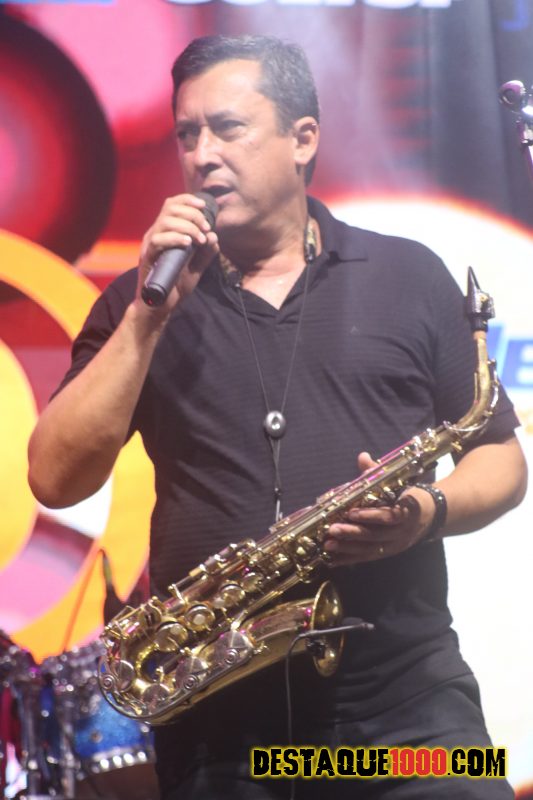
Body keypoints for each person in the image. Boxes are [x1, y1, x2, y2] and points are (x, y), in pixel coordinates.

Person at [28, 34, 527, 800]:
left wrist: (424, 512)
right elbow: (55, 479)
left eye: (227, 128)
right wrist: (148, 319)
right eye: (186, 135)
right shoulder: (138, 303)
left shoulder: (407, 274)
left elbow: (499, 457)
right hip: (220, 725)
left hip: (410, 709)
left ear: (303, 139)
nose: (202, 155)